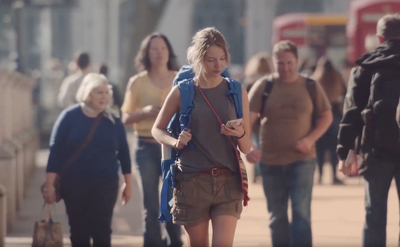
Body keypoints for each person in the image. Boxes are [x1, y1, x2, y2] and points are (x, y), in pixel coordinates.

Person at [152, 27, 259, 247]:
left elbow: (246, 147)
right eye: (211, 60)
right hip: (192, 182)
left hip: (228, 181)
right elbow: (157, 129)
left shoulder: (238, 92)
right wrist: (175, 141)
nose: (218, 65)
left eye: (222, 58)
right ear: (199, 59)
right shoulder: (182, 91)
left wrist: (240, 133)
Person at [247, 40, 332, 247]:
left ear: (297, 61)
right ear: (274, 63)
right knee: (277, 216)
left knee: (301, 214)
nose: (285, 68)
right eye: (280, 63)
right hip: (270, 161)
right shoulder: (264, 86)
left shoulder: (310, 86)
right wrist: (250, 147)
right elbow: (246, 121)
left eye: (289, 63)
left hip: (303, 160)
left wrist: (310, 139)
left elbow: (326, 116)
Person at [42, 73, 132, 247]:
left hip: (106, 184)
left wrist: (128, 184)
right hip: (74, 184)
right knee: (79, 232)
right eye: (99, 92)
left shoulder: (113, 120)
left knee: (103, 231)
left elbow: (124, 153)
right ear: (88, 93)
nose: (104, 96)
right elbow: (55, 152)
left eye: (107, 92)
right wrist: (49, 185)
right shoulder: (69, 116)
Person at [337, 14, 400, 247]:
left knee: (374, 214)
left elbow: (352, 112)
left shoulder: (367, 66)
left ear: (379, 37)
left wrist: (344, 151)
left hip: (375, 149)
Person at [120, 33, 182, 247]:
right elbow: (125, 117)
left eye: (163, 48)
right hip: (145, 147)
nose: (159, 53)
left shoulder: (180, 78)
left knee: (173, 199)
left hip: (173, 148)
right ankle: (153, 242)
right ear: (146, 53)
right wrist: (145, 112)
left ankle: (176, 241)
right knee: (151, 203)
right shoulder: (137, 82)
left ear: (169, 52)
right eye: (154, 49)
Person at [311, 57, 346, 185]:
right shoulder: (337, 78)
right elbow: (345, 93)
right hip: (335, 116)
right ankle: (334, 175)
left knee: (320, 149)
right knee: (333, 148)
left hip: (318, 118)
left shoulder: (315, 80)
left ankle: (320, 175)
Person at [242, 51, 274, 183]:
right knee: (265, 148)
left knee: (255, 146)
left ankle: (256, 172)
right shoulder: (272, 82)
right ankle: (262, 171)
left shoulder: (250, 82)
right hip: (268, 120)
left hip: (252, 121)